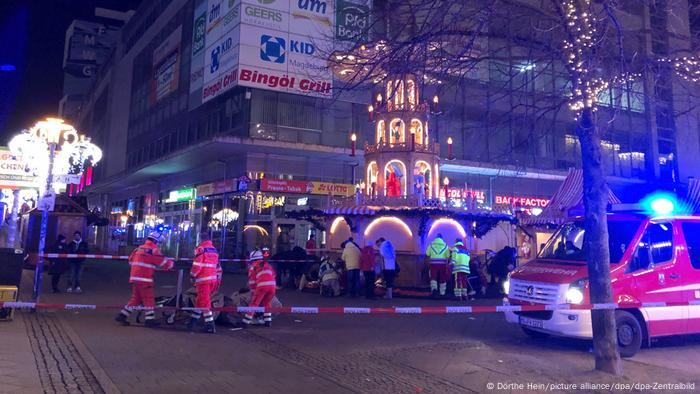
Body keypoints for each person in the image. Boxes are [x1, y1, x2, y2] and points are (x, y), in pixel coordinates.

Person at [115, 231, 174, 327]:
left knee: (136, 299)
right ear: (156, 241)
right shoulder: (153, 250)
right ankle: (149, 320)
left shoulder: (138, 249)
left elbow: (130, 261)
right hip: (145, 279)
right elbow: (163, 263)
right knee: (148, 299)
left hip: (134, 278)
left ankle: (122, 315)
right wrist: (172, 264)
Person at [187, 233, 221, 333]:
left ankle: (210, 325)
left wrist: (192, 275)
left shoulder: (201, 249)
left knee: (205, 302)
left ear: (201, 239)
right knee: (201, 300)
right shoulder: (214, 249)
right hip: (212, 280)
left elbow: (197, 265)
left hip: (203, 280)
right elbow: (217, 265)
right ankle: (193, 320)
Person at [243, 249, 276, 327]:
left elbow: (252, 282)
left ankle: (246, 321)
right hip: (272, 286)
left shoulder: (253, 266)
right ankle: (268, 321)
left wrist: (253, 291)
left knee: (254, 303)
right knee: (267, 302)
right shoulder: (268, 265)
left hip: (261, 286)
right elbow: (273, 275)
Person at [426, 233, 450, 298]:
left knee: (433, 277)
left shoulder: (431, 244)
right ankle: (442, 293)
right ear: (442, 238)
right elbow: (448, 255)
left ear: (436, 238)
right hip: (442, 264)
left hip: (433, 263)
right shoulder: (445, 245)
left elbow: (427, 254)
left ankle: (434, 291)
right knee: (443, 277)